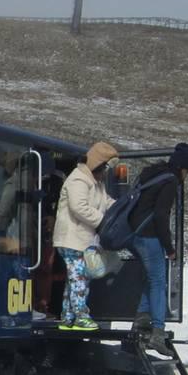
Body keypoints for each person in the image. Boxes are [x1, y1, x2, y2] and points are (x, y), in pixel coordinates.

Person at [127, 142, 188, 355]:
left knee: (151, 277)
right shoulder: (170, 181)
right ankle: (157, 332)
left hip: (135, 235)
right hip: (149, 236)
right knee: (158, 281)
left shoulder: (153, 175)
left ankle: (141, 319)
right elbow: (160, 215)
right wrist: (169, 247)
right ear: (181, 167)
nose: (186, 176)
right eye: (187, 171)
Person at [51, 141, 117, 331]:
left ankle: (67, 317)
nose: (105, 173)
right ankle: (81, 316)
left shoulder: (96, 183)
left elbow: (106, 202)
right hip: (71, 239)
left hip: (82, 239)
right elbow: (79, 207)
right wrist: (103, 221)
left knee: (74, 278)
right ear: (97, 164)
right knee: (79, 277)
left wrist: (120, 208)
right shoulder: (78, 180)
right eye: (104, 168)